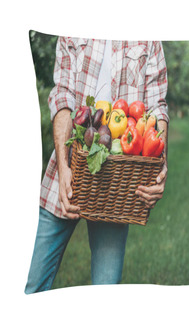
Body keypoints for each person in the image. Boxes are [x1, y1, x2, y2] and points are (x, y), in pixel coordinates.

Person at [25, 37, 169, 294]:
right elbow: (62, 96)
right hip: (67, 172)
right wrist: (63, 164)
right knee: (31, 284)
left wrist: (160, 164)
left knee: (105, 293)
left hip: (116, 185)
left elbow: (157, 107)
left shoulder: (148, 36)